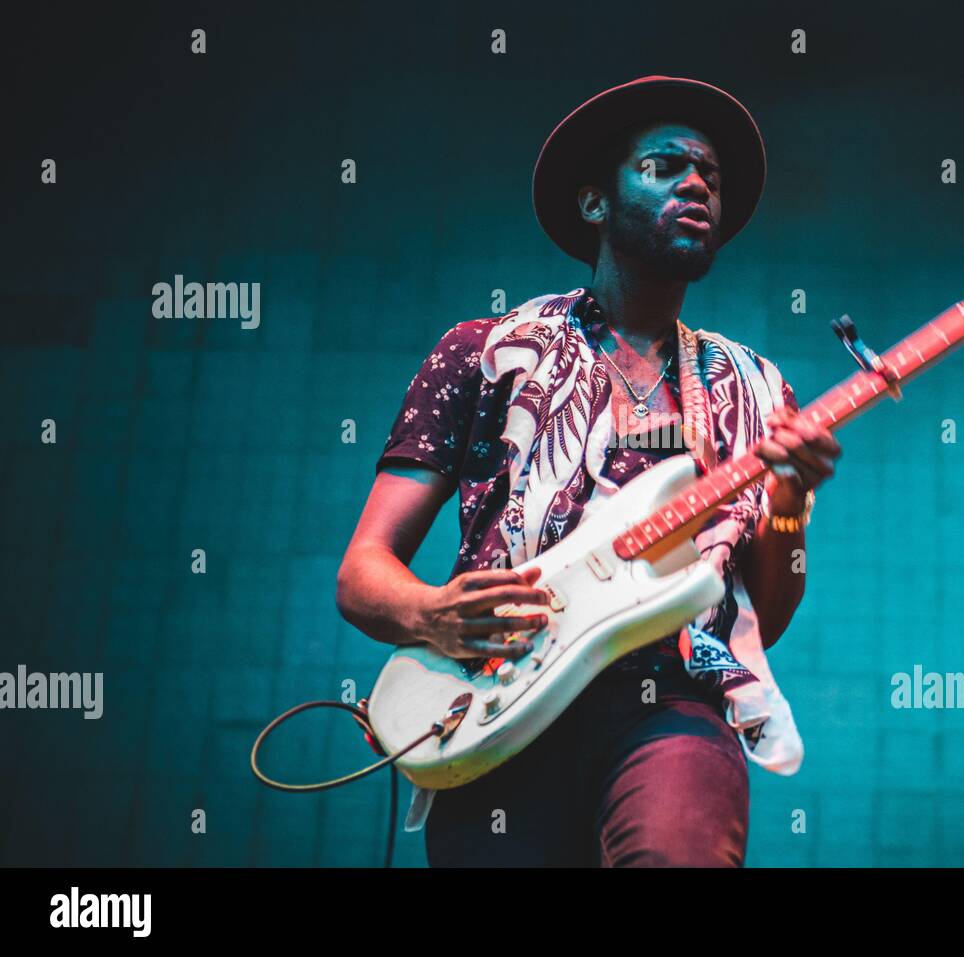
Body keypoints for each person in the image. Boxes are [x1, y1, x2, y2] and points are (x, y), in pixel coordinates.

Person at [336, 76, 841, 867]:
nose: (698, 182)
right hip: (495, 699)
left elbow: (762, 619)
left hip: (671, 701)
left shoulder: (754, 389)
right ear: (596, 203)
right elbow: (362, 573)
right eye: (665, 165)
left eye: (710, 172)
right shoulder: (482, 350)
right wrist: (432, 613)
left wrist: (789, 497)